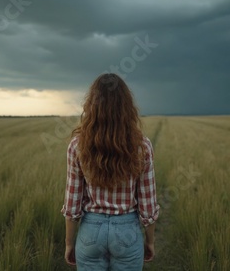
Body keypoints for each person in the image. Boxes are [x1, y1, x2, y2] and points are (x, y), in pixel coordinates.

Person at [61, 73, 160, 270]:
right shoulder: (142, 146)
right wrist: (150, 241)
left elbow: (72, 206)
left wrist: (69, 243)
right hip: (127, 232)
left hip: (90, 232)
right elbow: (148, 206)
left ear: (92, 106)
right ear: (126, 108)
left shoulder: (77, 146)